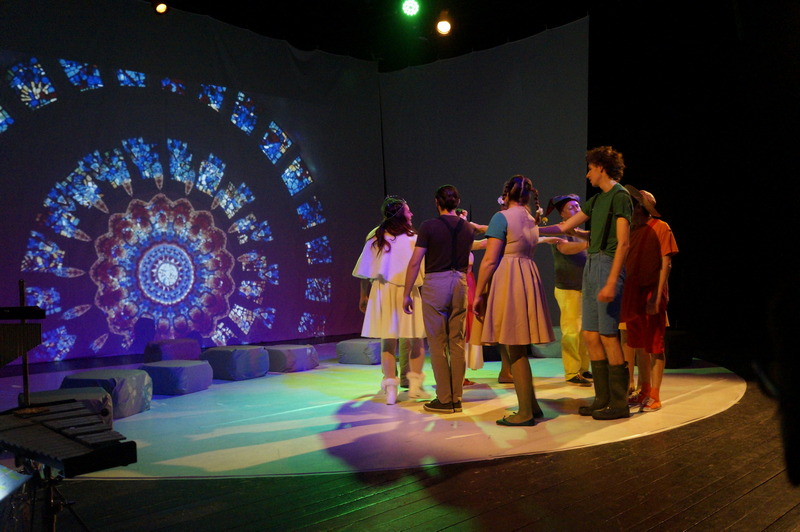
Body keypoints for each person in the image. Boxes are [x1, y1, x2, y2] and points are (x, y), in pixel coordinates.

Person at [540, 146, 632, 420]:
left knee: (608, 335)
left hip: (607, 264)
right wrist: (529, 229)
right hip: (592, 264)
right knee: (590, 335)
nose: (587, 174)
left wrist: (612, 280)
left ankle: (619, 403)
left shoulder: (620, 196)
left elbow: (623, 242)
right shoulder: (597, 199)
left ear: (601, 167)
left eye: (590, 168)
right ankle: (602, 398)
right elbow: (565, 227)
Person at [473, 175, 555, 426]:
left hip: (510, 278)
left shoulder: (502, 218)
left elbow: (489, 260)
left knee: (515, 347)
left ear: (506, 195)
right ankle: (532, 406)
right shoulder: (531, 219)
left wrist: (479, 293)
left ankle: (525, 412)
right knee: (518, 346)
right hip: (527, 275)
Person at [402, 185, 476, 414]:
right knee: (457, 342)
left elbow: (415, 262)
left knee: (437, 343)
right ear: (457, 202)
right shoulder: (468, 228)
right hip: (460, 283)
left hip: (436, 283)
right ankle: (456, 398)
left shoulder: (429, 226)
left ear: (437, 202)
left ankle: (444, 399)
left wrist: (406, 293)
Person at [352, 196, 430, 405]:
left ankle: (391, 389)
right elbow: (420, 268)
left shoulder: (377, 236)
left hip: (383, 291)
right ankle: (415, 387)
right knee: (416, 339)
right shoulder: (413, 238)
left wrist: (364, 294)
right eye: (408, 211)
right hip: (407, 291)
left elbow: (365, 270)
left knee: (388, 341)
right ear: (400, 215)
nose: (411, 214)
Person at [620, 186, 678, 412]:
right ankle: (644, 390)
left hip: (652, 292)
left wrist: (656, 296)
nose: (631, 209)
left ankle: (655, 394)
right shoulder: (632, 230)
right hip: (633, 292)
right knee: (639, 344)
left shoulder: (661, 227)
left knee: (654, 344)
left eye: (634, 204)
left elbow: (666, 263)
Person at [542, 194, 592, 387]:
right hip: (568, 287)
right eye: (571, 207)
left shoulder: (580, 231)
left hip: (585, 287)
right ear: (562, 213)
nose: (577, 209)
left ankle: (584, 368)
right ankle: (572, 371)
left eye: (578, 206)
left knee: (585, 331)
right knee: (571, 331)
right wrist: (588, 244)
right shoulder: (560, 230)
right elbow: (565, 249)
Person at [456, 208, 488, 386]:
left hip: (470, 282)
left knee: (469, 324)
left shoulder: (466, 242)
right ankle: (458, 373)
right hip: (462, 283)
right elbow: (482, 243)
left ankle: (462, 373)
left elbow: (484, 243)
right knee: (462, 325)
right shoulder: (455, 242)